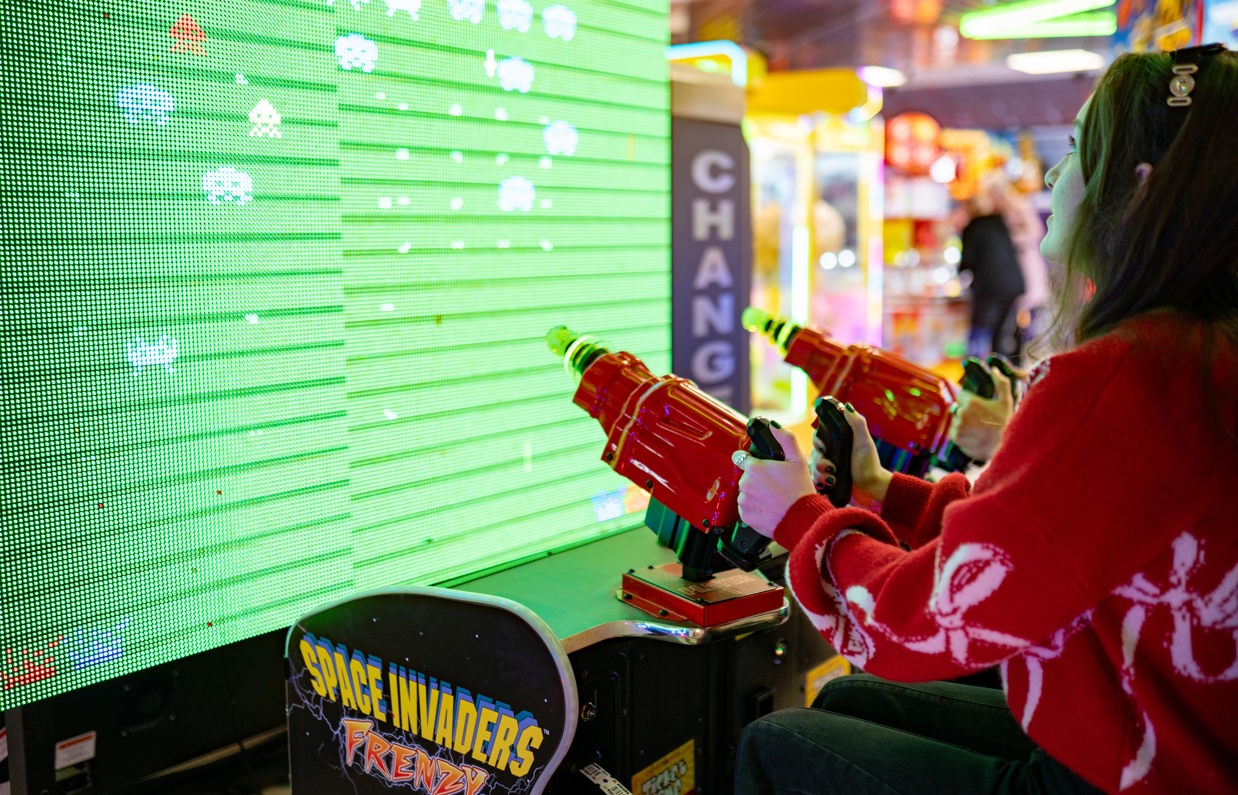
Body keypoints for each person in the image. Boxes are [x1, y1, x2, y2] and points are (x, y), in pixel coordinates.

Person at [730, 44, 1237, 794]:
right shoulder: (1205, 350)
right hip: (1158, 738)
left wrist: (800, 517)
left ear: (1135, 189)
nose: (1057, 181)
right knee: (843, 699)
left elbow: (924, 623)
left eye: (1074, 155)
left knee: (777, 741)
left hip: (1139, 772)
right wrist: (881, 492)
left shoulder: (1129, 371)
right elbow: (1034, 538)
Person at [957, 177, 1026, 359]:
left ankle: (977, 373)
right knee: (1002, 333)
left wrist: (961, 275)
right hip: (1013, 283)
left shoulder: (973, 227)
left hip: (989, 287)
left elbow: (967, 261)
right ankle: (999, 371)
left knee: (980, 330)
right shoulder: (999, 222)